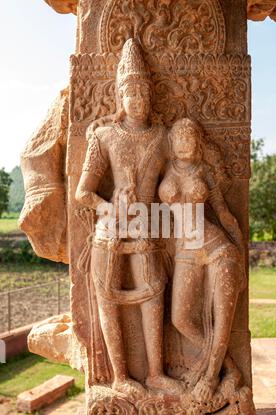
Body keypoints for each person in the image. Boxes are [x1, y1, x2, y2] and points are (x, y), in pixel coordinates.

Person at [76, 38, 182, 396]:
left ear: (151, 95)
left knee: (154, 295)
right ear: (119, 98)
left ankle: (155, 372)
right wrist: (108, 207)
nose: (137, 100)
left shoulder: (164, 137)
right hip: (111, 227)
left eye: (143, 92)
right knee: (108, 298)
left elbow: (183, 169)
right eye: (130, 93)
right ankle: (119, 375)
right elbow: (83, 192)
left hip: (149, 224)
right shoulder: (104, 136)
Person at [159, 118, 246, 401]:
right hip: (186, 249)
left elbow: (224, 214)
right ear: (171, 143)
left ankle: (210, 378)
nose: (185, 142)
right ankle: (230, 369)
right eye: (179, 137)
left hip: (218, 248)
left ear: (198, 142)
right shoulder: (164, 170)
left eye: (190, 136)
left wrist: (240, 255)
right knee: (181, 319)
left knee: (222, 318)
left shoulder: (205, 172)